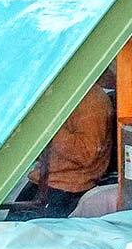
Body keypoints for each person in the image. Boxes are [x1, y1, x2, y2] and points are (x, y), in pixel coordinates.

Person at [20, 79, 114, 217]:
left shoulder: (91, 100)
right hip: (41, 182)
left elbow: (86, 153)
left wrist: (47, 127)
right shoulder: (64, 94)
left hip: (66, 189)